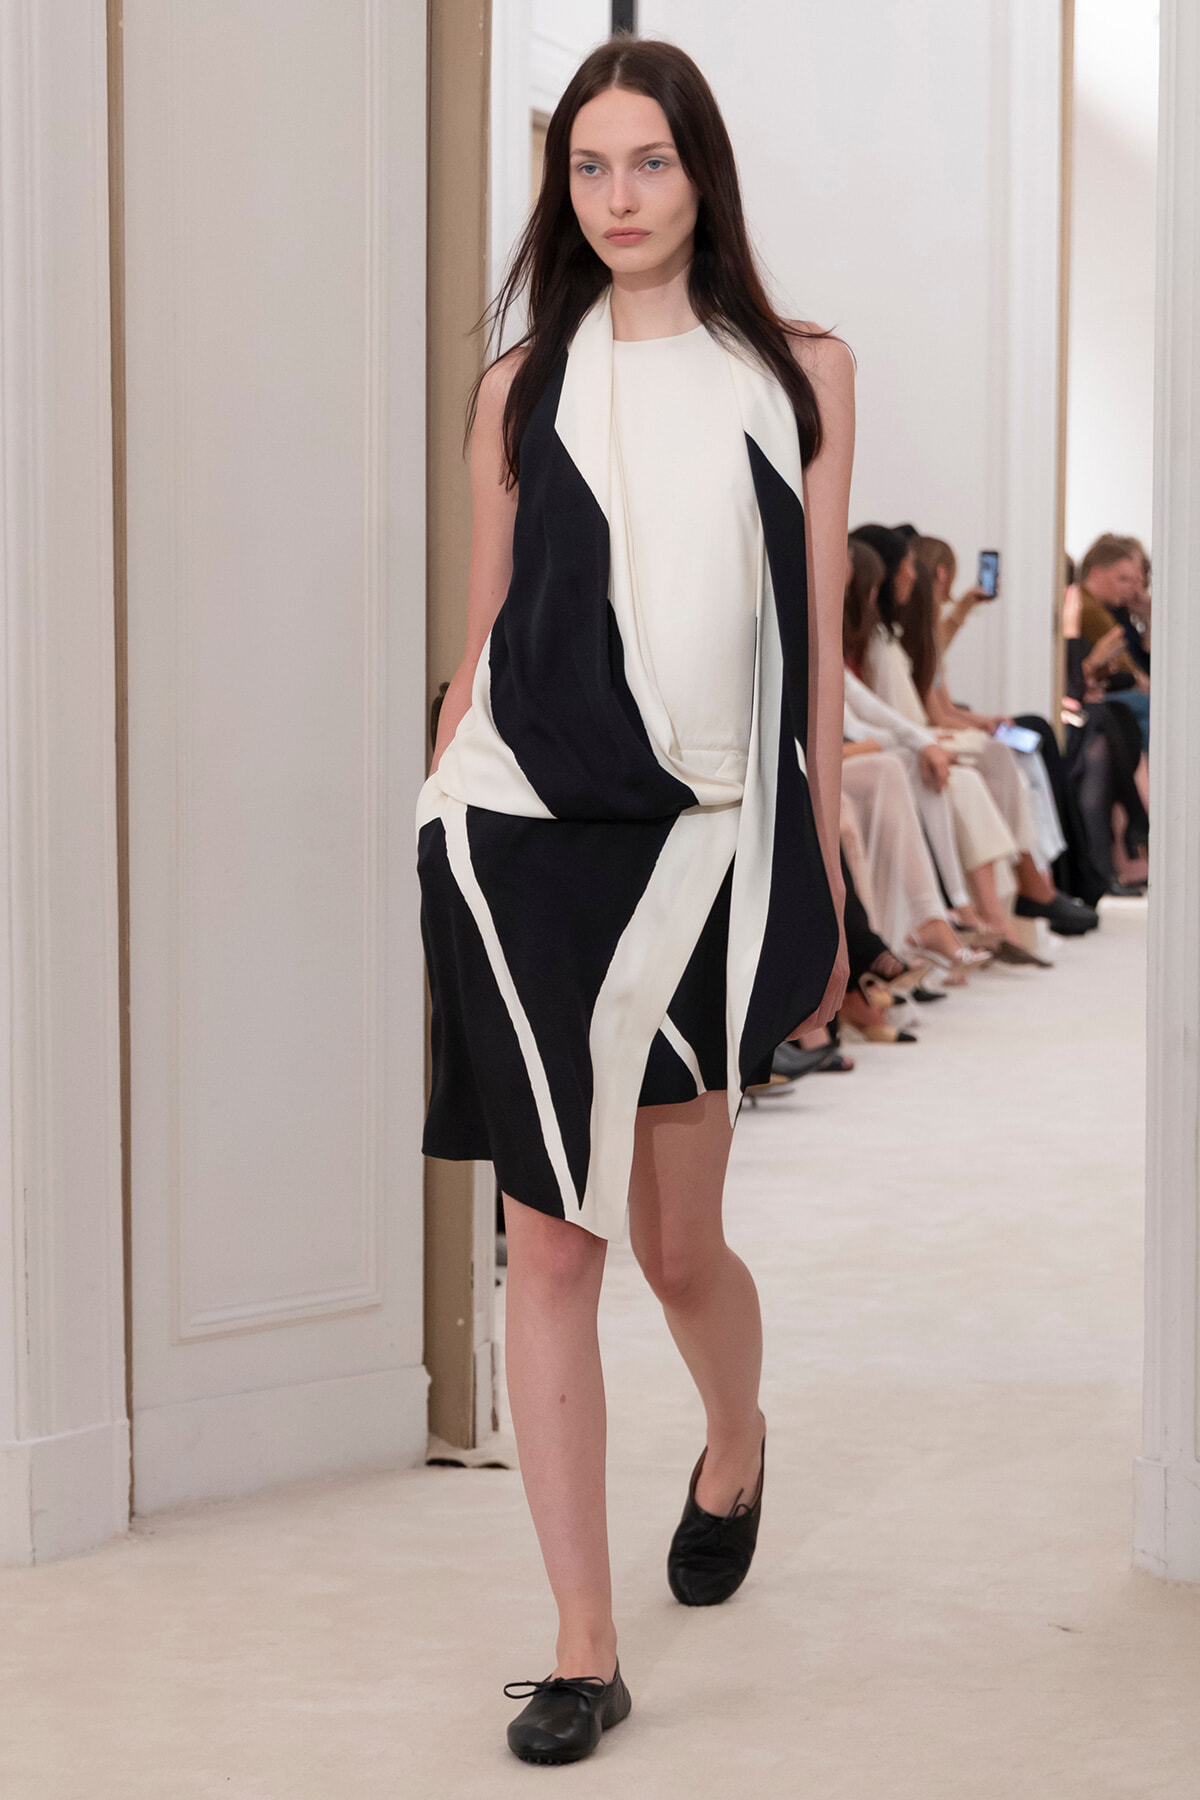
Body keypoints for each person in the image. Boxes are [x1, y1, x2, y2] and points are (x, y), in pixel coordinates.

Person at [417, 37, 853, 1765]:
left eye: (649, 164)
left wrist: (815, 866)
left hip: (705, 844)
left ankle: (734, 1441)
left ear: (701, 175)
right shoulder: (517, 387)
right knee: (551, 1240)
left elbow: (809, 641)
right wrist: (443, 794)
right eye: (590, 167)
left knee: (676, 1245)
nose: (619, 198)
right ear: (563, 185)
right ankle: (584, 1646)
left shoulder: (799, 372)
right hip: (523, 836)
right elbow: (485, 632)